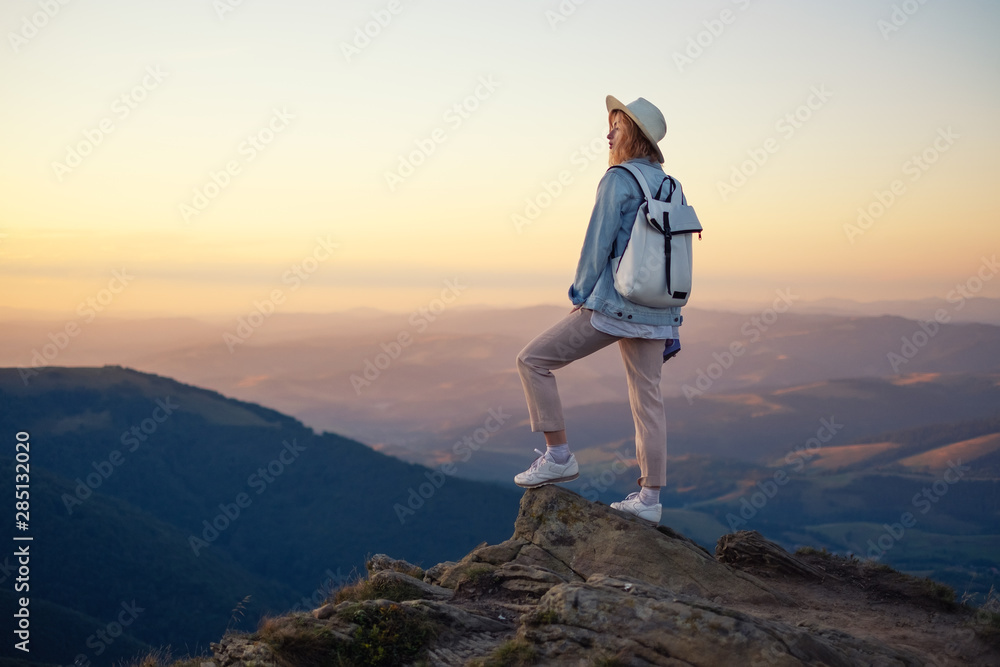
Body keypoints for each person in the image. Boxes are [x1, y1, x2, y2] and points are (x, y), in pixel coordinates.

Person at [513, 95, 687, 524]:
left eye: (617, 127)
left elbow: (598, 243)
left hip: (615, 306)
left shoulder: (617, 179)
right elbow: (677, 256)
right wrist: (672, 322)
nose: (608, 134)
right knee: (649, 402)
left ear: (634, 136)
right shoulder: (672, 186)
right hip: (659, 310)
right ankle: (650, 500)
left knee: (532, 360)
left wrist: (579, 296)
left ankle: (558, 455)